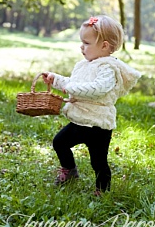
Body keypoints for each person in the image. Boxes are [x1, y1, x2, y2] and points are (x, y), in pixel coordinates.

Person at [41, 15, 141, 196]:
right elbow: (74, 82)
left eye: (86, 43)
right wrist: (56, 79)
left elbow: (98, 89)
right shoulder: (84, 65)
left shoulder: (109, 68)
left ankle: (102, 189)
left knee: (98, 161)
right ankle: (69, 170)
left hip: (98, 125)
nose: (82, 46)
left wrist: (70, 87)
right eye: (82, 42)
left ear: (104, 45)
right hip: (80, 120)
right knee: (59, 142)